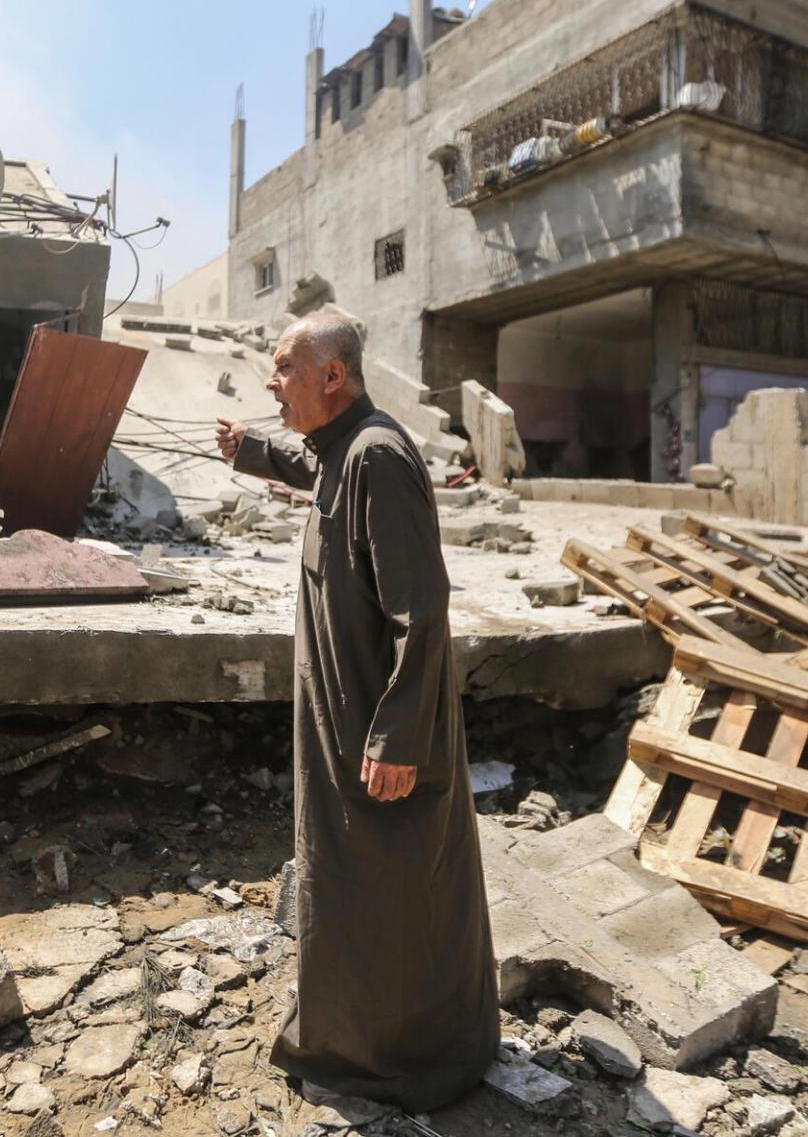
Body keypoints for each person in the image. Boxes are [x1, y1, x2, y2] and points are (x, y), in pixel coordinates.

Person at [213, 316, 497, 1113]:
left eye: (283, 370)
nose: (271, 384)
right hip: (346, 722)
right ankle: (355, 1036)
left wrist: (399, 734)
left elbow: (424, 610)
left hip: (379, 728)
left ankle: (411, 1060)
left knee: (394, 890)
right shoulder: (344, 450)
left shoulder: (379, 457)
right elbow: (314, 465)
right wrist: (250, 451)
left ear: (333, 377)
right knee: (349, 885)